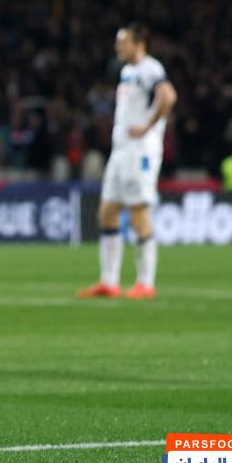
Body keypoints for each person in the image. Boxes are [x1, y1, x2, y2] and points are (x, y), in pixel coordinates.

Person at [79, 24, 177, 300]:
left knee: (138, 211)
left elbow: (168, 96)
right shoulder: (126, 72)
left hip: (140, 151)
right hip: (121, 150)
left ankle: (145, 283)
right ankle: (109, 281)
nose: (118, 47)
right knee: (107, 211)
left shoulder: (150, 69)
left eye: (123, 42)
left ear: (139, 44)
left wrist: (148, 126)